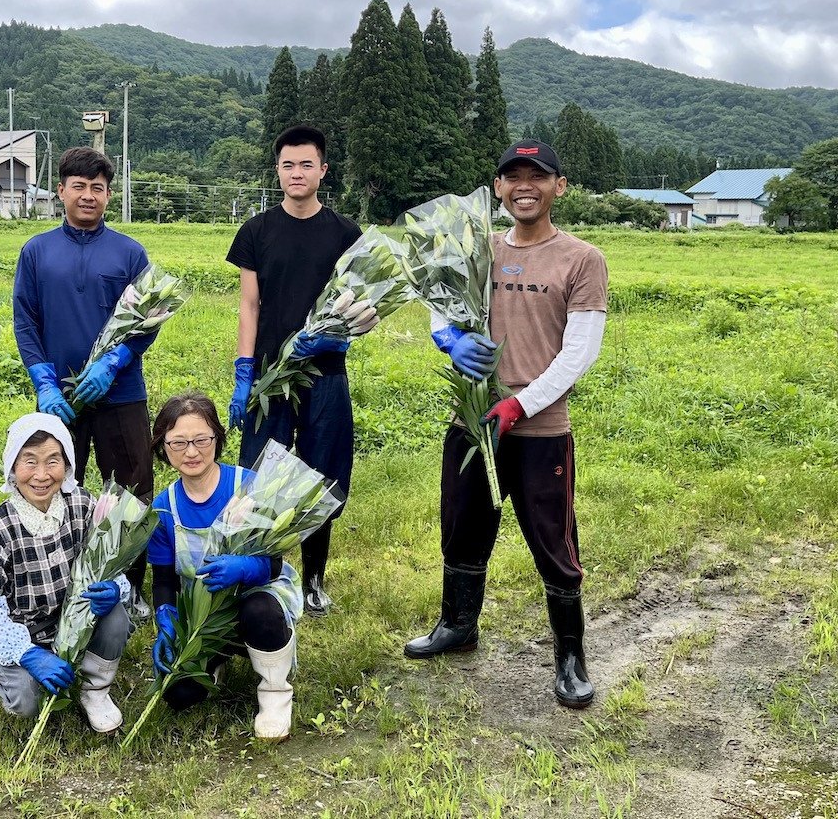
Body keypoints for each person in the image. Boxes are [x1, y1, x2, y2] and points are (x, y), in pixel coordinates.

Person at [404, 139, 608, 710]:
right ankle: (457, 625)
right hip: (471, 420)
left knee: (553, 541)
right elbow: (442, 304)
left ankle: (571, 658)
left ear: (558, 186)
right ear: (497, 189)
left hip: (540, 430)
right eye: (512, 176)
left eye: (537, 176)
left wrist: (521, 404)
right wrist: (448, 338)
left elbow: (579, 352)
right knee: (463, 525)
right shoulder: (480, 248)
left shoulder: (581, 258)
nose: (524, 185)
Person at [13, 146, 157, 620]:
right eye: (79, 186)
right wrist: (44, 383)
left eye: (98, 188)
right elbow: (25, 321)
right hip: (61, 401)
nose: (89, 196)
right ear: (61, 191)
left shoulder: (130, 252)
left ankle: (130, 586)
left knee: (130, 489)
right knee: (53, 484)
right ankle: (54, 579)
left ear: (108, 194)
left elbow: (148, 318)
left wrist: (114, 362)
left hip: (121, 393)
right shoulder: (36, 251)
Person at [226, 124, 362, 617]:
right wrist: (245, 372)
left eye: (307, 164)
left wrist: (341, 335)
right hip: (269, 378)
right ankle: (266, 573)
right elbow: (249, 305)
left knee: (321, 476)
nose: (297, 173)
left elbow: (359, 305)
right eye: (288, 165)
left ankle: (314, 578)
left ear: (323, 170)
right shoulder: (257, 231)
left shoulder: (346, 234)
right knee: (261, 477)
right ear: (277, 170)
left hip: (326, 373)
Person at [147, 392, 299, 740]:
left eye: (201, 439)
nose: (191, 452)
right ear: (163, 447)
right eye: (178, 442)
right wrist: (166, 620)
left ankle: (275, 691)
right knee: (179, 695)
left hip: (256, 595)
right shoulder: (164, 507)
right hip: (205, 611)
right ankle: (214, 662)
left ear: (217, 438)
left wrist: (246, 567)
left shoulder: (248, 486)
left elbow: (274, 564)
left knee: (259, 611)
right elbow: (163, 580)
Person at [0, 413, 132, 733]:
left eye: (53, 461)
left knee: (117, 615)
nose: (41, 475)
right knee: (27, 702)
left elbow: (112, 563)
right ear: (13, 469)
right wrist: (28, 654)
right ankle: (9, 672)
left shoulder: (83, 504)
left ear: (67, 465)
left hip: (77, 622)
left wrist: (114, 587)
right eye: (29, 462)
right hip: (24, 637)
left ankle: (94, 690)